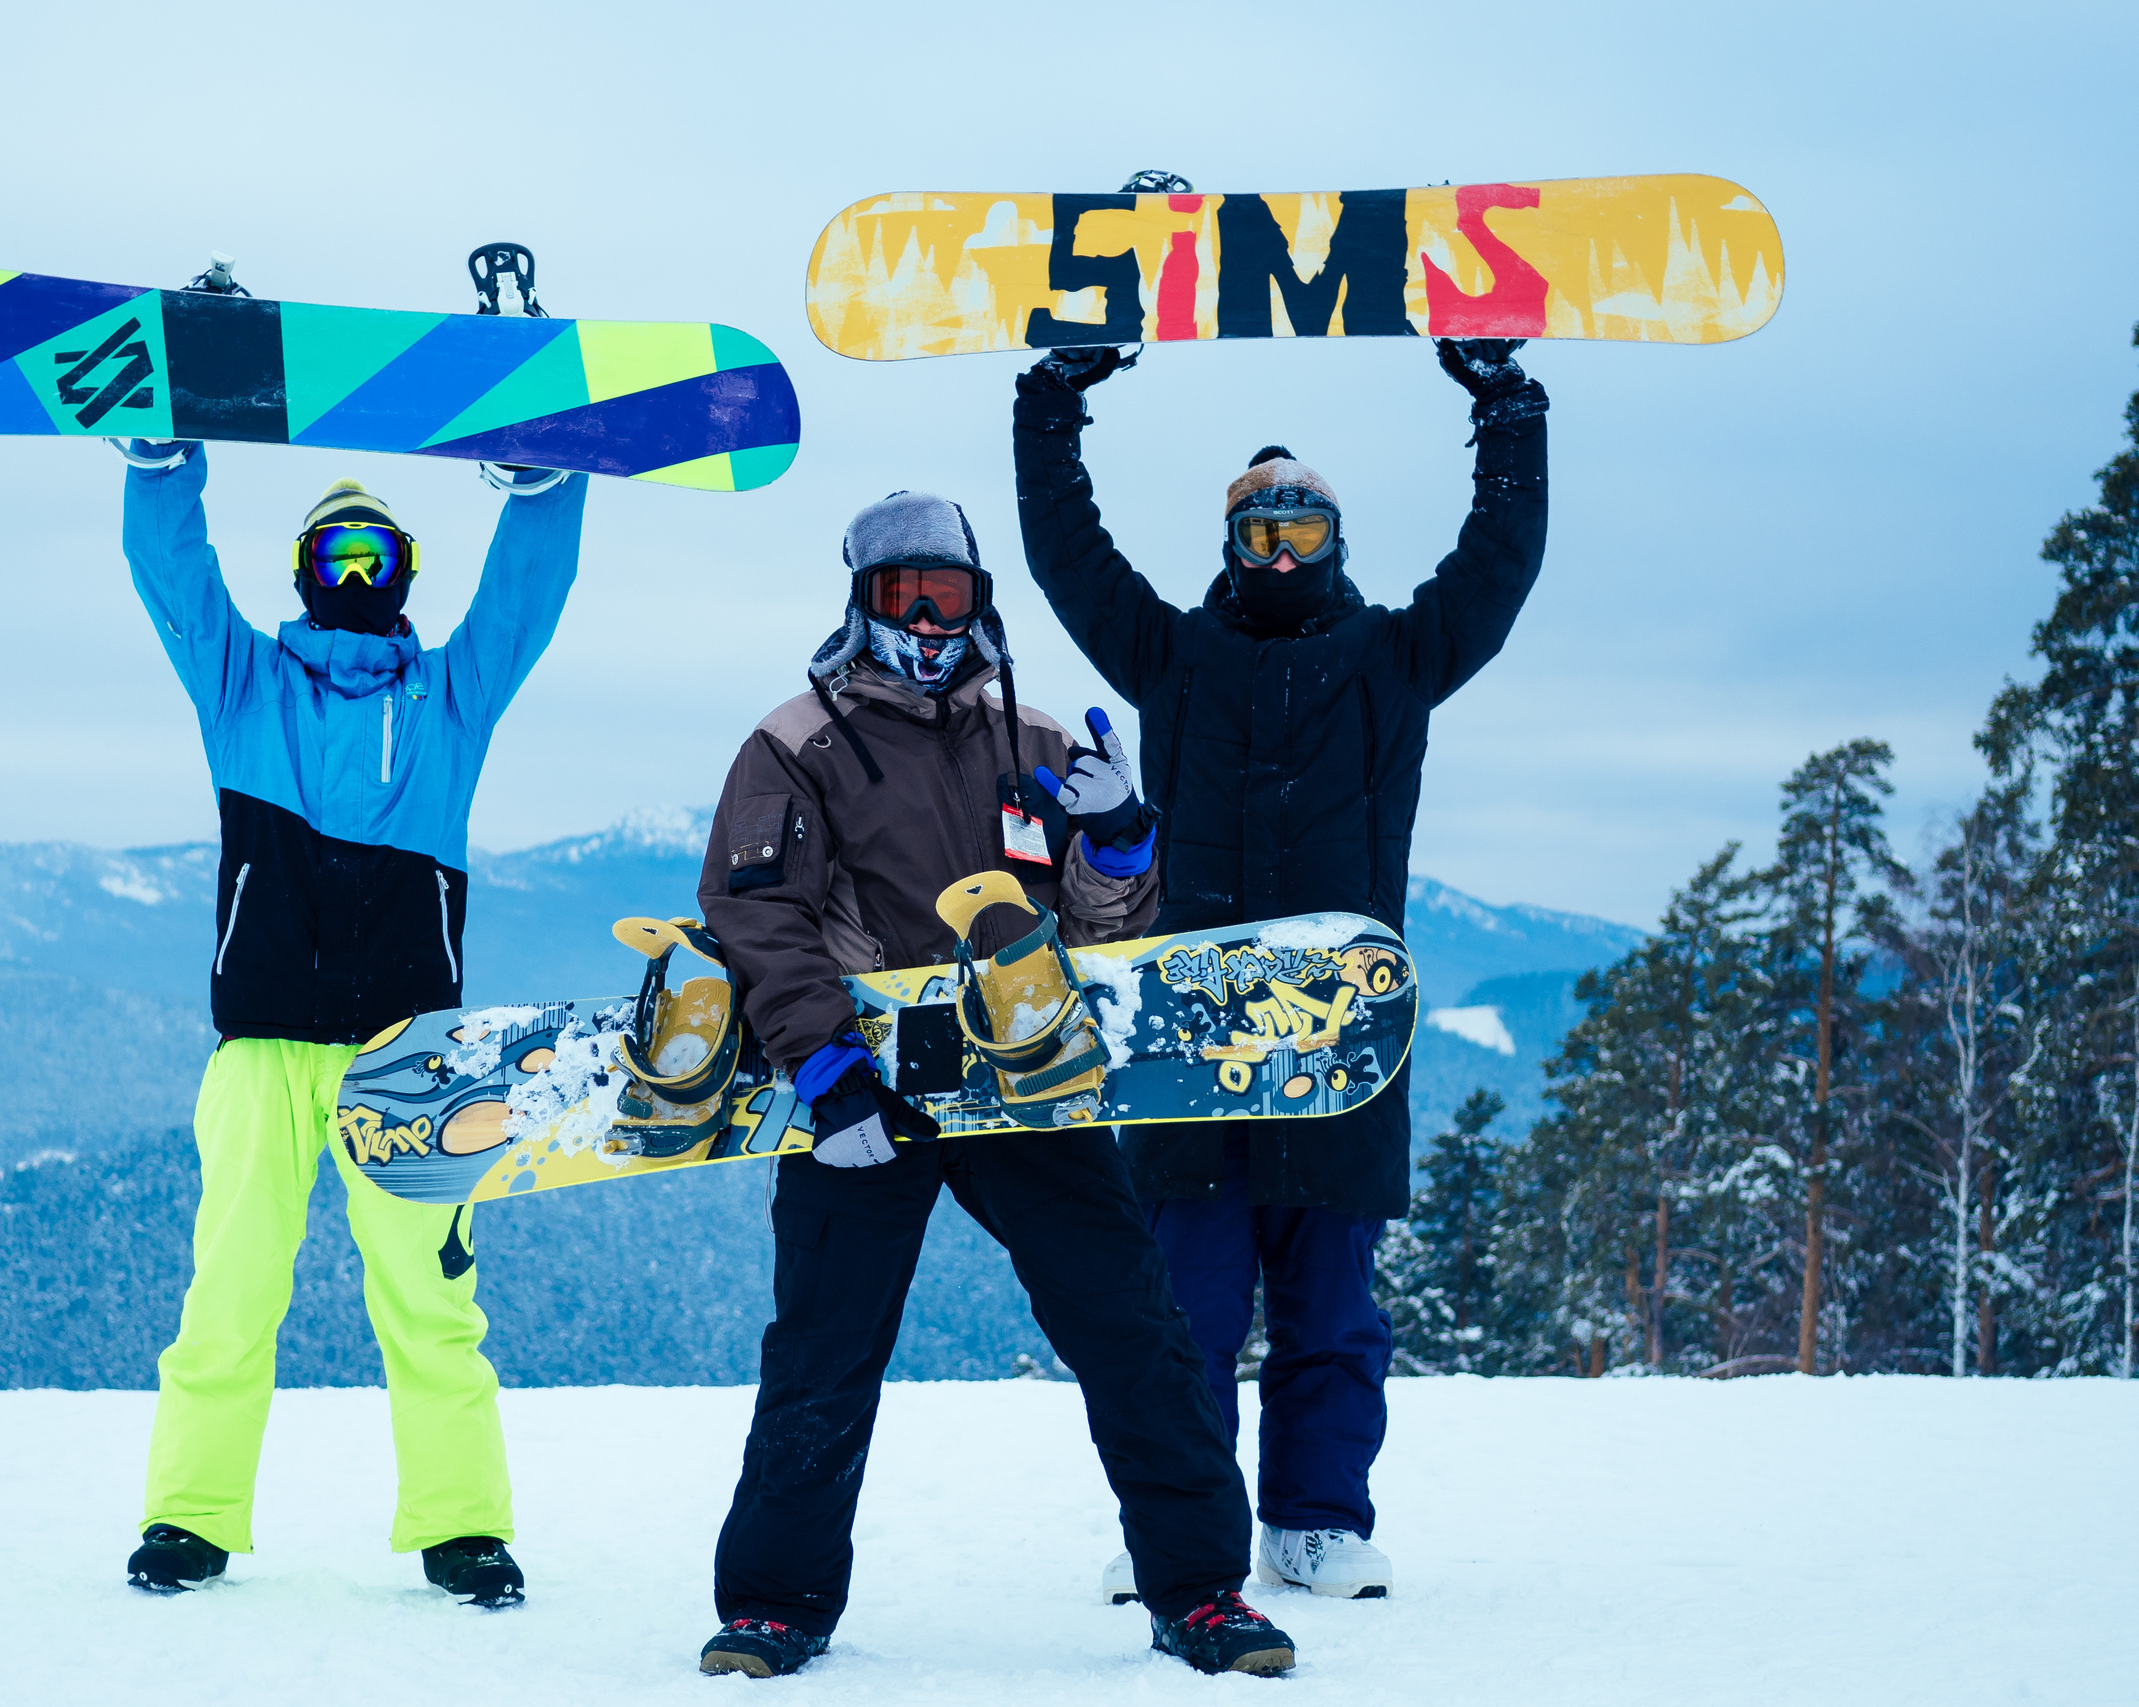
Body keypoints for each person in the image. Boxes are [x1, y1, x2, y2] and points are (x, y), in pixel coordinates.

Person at [688, 491, 1296, 1680]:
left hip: (1022, 1077)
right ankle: (775, 1604)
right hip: (865, 1086)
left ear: (980, 602)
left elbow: (1101, 924)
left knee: (1131, 1325)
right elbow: (761, 918)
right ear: (860, 604)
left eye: (947, 595)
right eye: (901, 597)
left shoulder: (1035, 736)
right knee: (823, 1345)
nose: (925, 620)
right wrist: (822, 1067)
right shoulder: (793, 742)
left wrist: (1121, 845)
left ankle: (1200, 1591)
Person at [1011, 337, 1550, 1601]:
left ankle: (1316, 1522)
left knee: (1331, 1316)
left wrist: (1506, 410)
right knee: (1180, 1318)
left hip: (1341, 1040)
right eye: (1259, 535)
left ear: (1337, 540)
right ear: (1229, 546)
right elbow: (1065, 558)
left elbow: (1497, 569)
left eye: (1303, 532)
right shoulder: (1172, 661)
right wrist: (1054, 403)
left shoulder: (1395, 662)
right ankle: (1184, 1531)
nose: (1282, 556)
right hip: (1190, 1045)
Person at [109, 435, 586, 1606]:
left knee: (431, 1304)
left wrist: (545, 485)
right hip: (262, 1046)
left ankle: (462, 1527)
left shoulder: (449, 703)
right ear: (306, 568)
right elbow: (173, 582)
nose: (358, 571)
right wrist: (164, 469)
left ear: (407, 571)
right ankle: (190, 1517)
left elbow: (526, 602)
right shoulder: (243, 685)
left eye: (378, 551)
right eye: (338, 550)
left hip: (413, 1060)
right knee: (228, 1294)